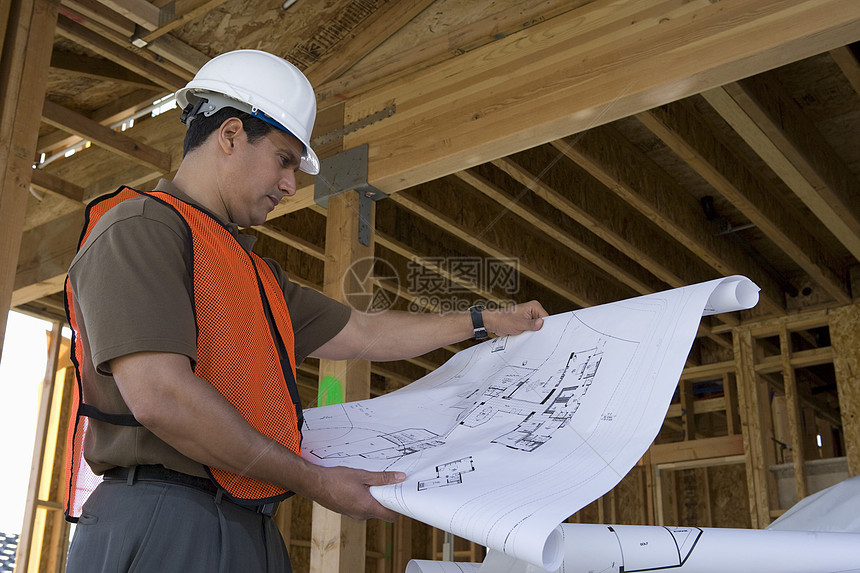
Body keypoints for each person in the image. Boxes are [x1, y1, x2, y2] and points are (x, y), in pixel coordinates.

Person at [63, 49, 547, 573]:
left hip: (247, 519)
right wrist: (316, 481)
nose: (291, 185)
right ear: (229, 136)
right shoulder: (142, 228)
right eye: (285, 159)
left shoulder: (252, 275)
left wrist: (479, 321)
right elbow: (160, 397)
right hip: (166, 519)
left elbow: (364, 332)